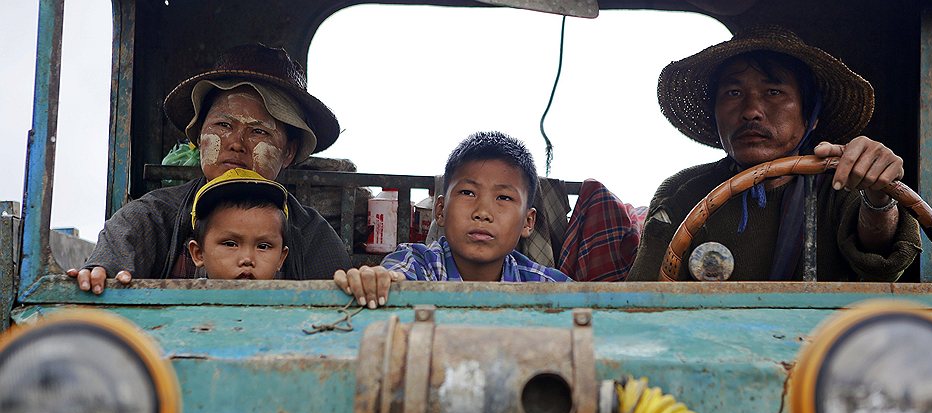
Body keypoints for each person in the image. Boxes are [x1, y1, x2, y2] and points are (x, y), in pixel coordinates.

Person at [626, 26, 921, 282]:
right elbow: (642, 300)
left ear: (811, 115)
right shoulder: (684, 191)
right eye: (733, 93)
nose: (751, 111)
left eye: (774, 92)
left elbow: (883, 263)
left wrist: (879, 198)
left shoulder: (840, 183)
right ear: (715, 112)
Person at [69, 44, 350, 294]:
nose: (236, 144)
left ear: (288, 152)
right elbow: (108, 269)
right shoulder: (151, 216)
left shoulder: (312, 235)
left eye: (258, 132)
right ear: (199, 136)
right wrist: (99, 276)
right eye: (223, 126)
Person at [335, 131, 570, 307]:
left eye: (504, 197)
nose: (483, 212)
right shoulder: (417, 265)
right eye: (468, 193)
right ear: (440, 210)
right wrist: (374, 281)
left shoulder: (546, 285)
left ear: (528, 222)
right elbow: (393, 277)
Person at [187, 168, 289, 280]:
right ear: (198, 253)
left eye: (263, 246)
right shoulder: (185, 296)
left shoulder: (294, 296)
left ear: (281, 258)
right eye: (230, 244)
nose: (247, 259)